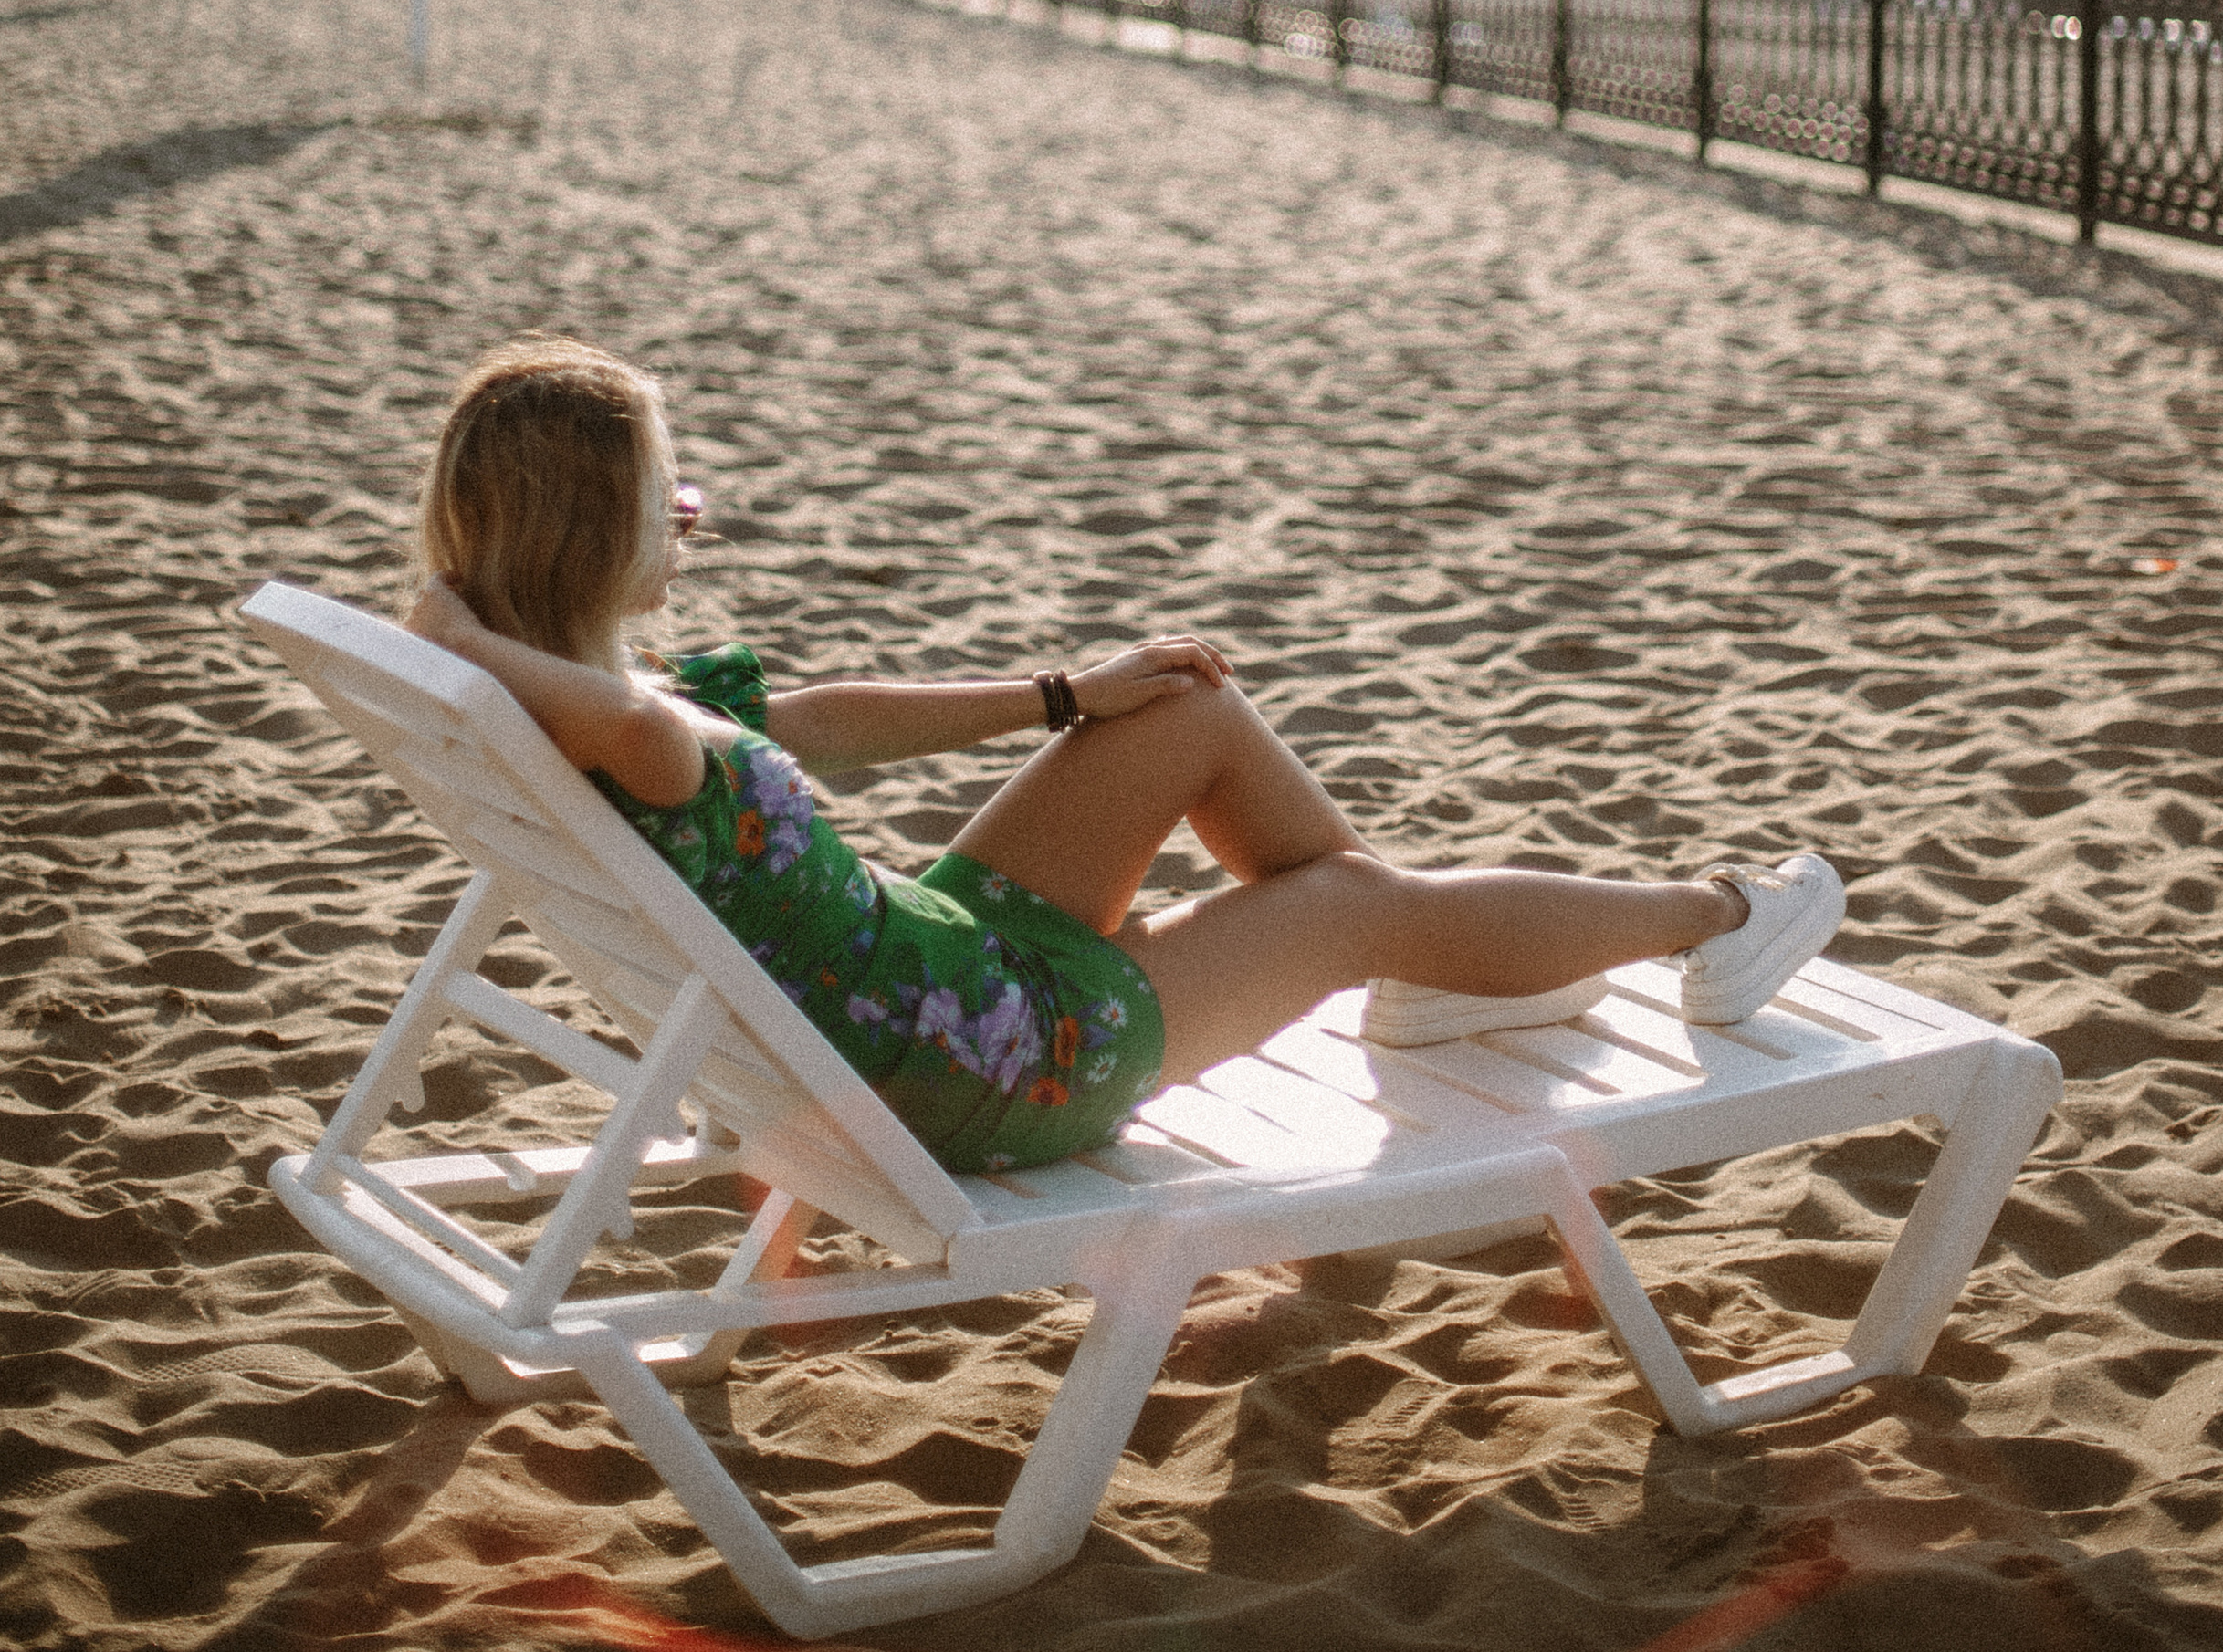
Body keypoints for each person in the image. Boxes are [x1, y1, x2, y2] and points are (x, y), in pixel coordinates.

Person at [403, 338, 1846, 1177]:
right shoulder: (636, 736)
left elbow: (823, 722)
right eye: (672, 497)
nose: (693, 520)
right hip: (996, 1055)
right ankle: (1714, 916)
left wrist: (1060, 695)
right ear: (600, 535)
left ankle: (1434, 950)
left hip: (932, 974)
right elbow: (658, 732)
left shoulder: (591, 706)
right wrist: (466, 642)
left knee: (1176, 712)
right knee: (1351, 901)